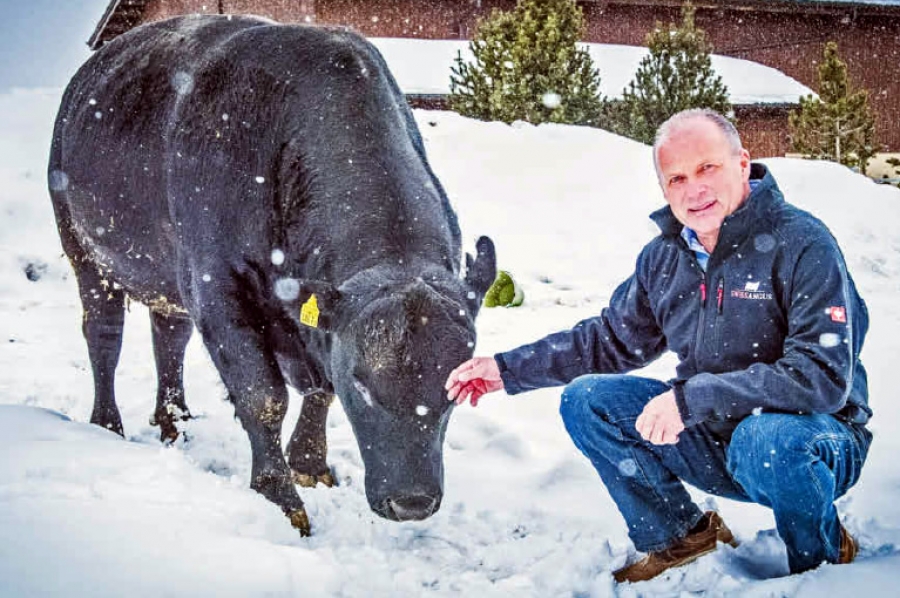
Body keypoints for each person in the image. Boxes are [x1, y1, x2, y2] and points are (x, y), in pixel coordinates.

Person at [445, 108, 872, 583]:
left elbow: (822, 377)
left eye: (707, 168)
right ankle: (680, 536)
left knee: (767, 439)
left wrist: (693, 399)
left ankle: (823, 561)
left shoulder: (803, 243)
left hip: (814, 441)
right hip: (714, 434)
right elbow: (607, 341)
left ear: (742, 163)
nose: (695, 189)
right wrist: (507, 368)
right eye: (677, 178)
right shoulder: (666, 258)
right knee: (590, 401)